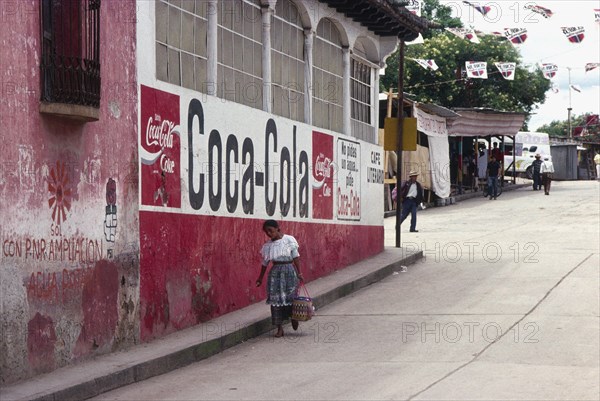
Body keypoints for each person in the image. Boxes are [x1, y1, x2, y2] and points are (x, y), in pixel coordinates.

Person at [255, 219, 303, 338]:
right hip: (275, 274)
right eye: (267, 232)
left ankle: (293, 317)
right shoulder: (268, 246)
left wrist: (299, 273)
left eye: (270, 230)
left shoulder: (289, 240)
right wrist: (260, 278)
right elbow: (265, 263)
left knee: (291, 297)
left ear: (278, 229)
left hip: (289, 271)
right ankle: (279, 328)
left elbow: (295, 257)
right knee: (276, 301)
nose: (269, 234)